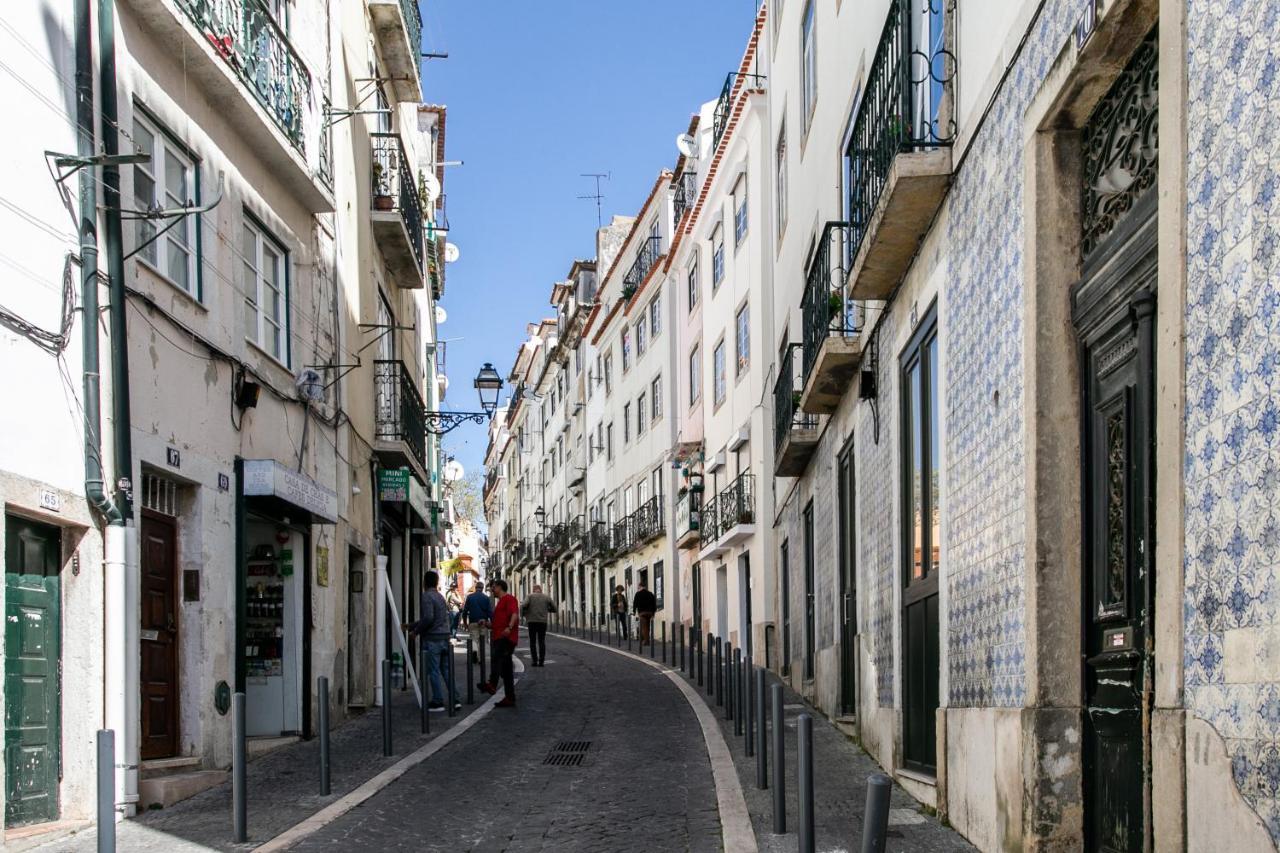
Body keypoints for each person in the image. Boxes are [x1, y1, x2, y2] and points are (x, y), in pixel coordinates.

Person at [405, 570, 461, 713]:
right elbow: (437, 618)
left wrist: (415, 632)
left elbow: (429, 618)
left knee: (433, 670)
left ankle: (438, 701)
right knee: (446, 670)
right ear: (436, 582)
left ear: (424, 582)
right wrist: (412, 625)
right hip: (444, 637)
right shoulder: (440, 597)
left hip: (433, 639)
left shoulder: (427, 596)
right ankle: (455, 699)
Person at [480, 579, 519, 707]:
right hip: (499, 637)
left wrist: (509, 627)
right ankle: (510, 698)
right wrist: (486, 624)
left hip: (506, 638)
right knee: (506, 670)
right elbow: (496, 624)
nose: (492, 590)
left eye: (493, 587)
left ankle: (492, 684)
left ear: (500, 587)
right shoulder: (500, 603)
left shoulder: (509, 599)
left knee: (497, 659)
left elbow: (514, 614)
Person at [521, 584, 557, 667]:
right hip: (542, 622)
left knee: (532, 642)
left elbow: (523, 605)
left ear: (533, 590)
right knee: (541, 641)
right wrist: (548, 610)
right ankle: (541, 662)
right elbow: (554, 608)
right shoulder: (546, 597)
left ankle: (534, 661)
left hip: (532, 621)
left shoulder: (529, 596)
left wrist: (524, 614)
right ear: (540, 590)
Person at [463, 580, 493, 663]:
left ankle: (474, 650)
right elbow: (489, 612)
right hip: (483, 623)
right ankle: (480, 659)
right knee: (482, 641)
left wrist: (465, 623)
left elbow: (465, 611)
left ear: (475, 588)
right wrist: (493, 623)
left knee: (474, 639)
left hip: (473, 622)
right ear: (482, 588)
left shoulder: (470, 597)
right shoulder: (486, 598)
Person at [633, 580, 657, 645]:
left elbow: (635, 603)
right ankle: (645, 639)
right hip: (650, 613)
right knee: (647, 626)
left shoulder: (637, 594)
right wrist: (653, 613)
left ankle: (646, 641)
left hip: (642, 613)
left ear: (640, 586)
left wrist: (634, 611)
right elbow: (654, 603)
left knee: (643, 627)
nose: (638, 588)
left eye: (638, 586)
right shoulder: (650, 593)